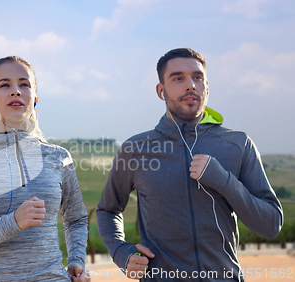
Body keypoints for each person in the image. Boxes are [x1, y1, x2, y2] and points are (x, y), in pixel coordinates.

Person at [97, 48, 283, 281]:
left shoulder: (238, 144)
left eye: (197, 77)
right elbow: (108, 209)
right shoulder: (135, 149)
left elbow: (271, 224)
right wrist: (121, 252)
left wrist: (224, 181)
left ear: (207, 85)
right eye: (178, 78)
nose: (190, 85)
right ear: (160, 91)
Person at [0, 56, 90, 282]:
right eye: (4, 85)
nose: (16, 91)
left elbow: (76, 219)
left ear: (35, 99)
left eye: (24, 84)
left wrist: (76, 260)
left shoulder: (59, 157)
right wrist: (13, 222)